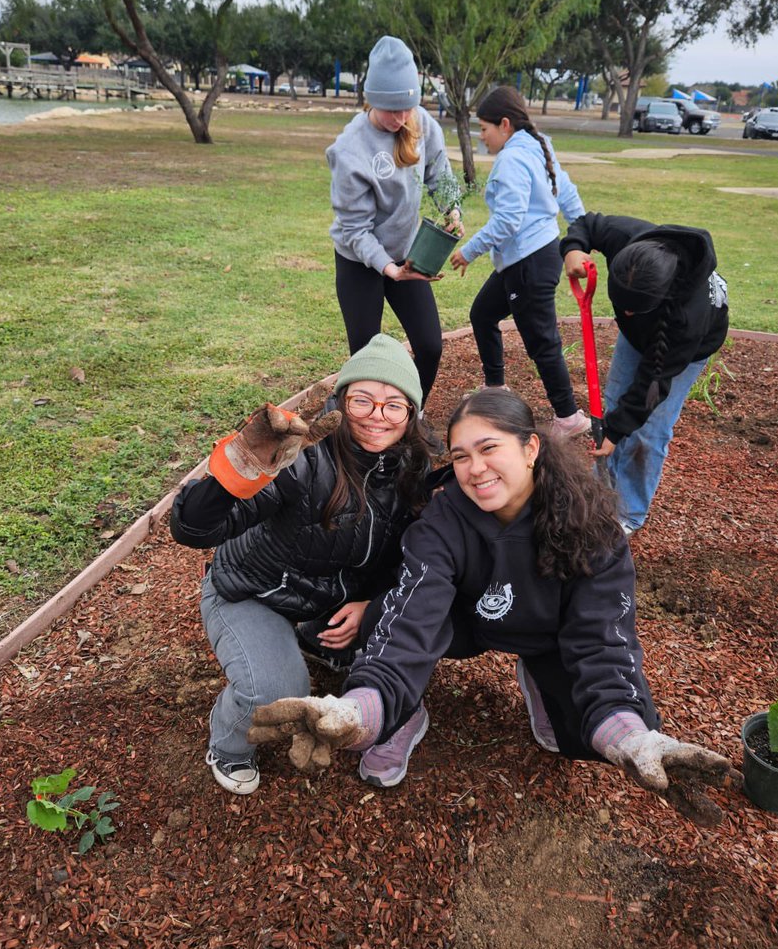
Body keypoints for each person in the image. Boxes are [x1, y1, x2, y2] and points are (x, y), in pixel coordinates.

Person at [249, 390, 740, 825]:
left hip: (548, 633)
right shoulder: (443, 520)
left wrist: (634, 738)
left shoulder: (592, 527)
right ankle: (402, 714)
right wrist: (362, 710)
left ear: (531, 449)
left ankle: (541, 676)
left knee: (582, 733)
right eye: (460, 456)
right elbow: (411, 618)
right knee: (384, 613)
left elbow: (604, 639)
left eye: (489, 449)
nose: (475, 468)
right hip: (466, 622)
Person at [169, 334, 433, 797]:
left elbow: (411, 557)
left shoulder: (412, 468)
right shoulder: (301, 459)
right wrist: (237, 472)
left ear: (411, 415)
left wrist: (371, 606)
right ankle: (228, 746)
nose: (377, 415)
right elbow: (193, 531)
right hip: (254, 592)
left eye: (394, 405)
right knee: (276, 691)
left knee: (403, 639)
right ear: (341, 401)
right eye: (363, 400)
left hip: (327, 596)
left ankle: (313, 638)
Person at [560, 213, 730, 535]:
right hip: (643, 333)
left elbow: (651, 386)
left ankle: (629, 512)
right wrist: (572, 249)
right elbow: (587, 223)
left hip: (683, 348)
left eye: (633, 308)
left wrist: (617, 431)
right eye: (621, 304)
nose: (624, 312)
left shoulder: (687, 320)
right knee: (614, 409)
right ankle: (602, 494)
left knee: (648, 431)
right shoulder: (627, 239)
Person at [326, 35, 464, 408]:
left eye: (407, 108)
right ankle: (358, 425)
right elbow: (356, 230)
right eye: (392, 111)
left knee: (430, 345)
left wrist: (452, 209)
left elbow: (439, 172)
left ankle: (411, 416)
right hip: (359, 262)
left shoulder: (421, 124)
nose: (402, 119)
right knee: (366, 358)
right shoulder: (350, 149)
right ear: (372, 100)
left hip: (406, 254)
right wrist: (390, 270)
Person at [449, 86, 589, 437]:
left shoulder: (513, 158)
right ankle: (495, 387)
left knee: (542, 342)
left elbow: (509, 220)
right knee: (483, 314)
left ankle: (568, 418)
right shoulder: (537, 146)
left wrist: (469, 250)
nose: (481, 137)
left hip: (530, 262)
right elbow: (567, 192)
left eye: (484, 129)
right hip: (529, 258)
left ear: (505, 124)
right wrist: (583, 230)